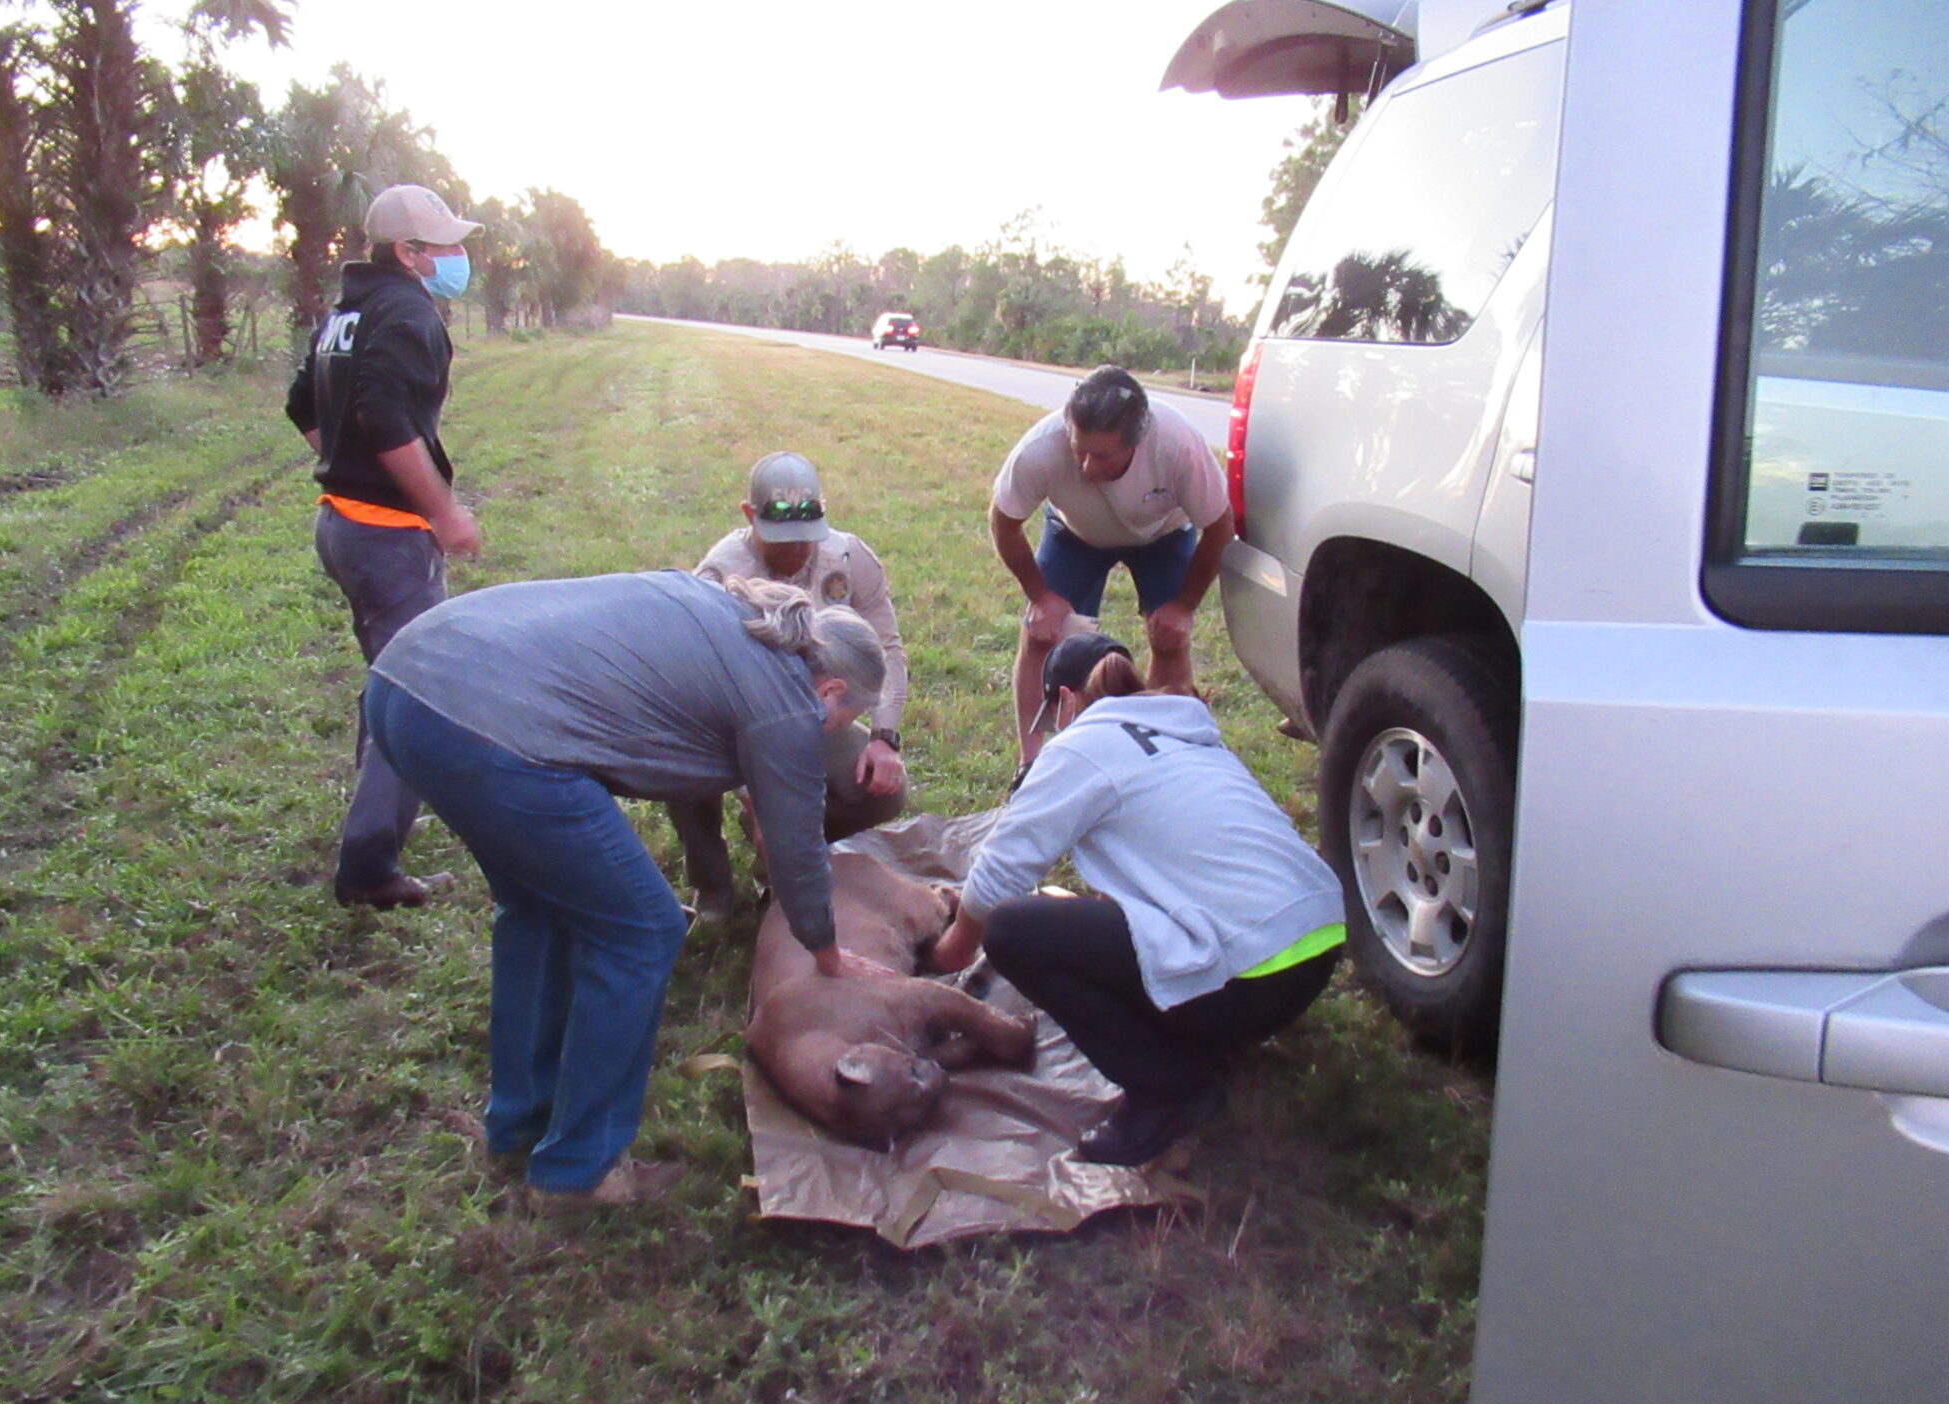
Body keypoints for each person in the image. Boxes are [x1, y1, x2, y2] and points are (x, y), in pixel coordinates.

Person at [363, 569, 899, 1213]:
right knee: (642, 930)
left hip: (408, 683)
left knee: (538, 911)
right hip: (490, 727)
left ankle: (521, 1124)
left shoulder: (729, 607)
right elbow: (796, 849)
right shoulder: (788, 698)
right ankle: (577, 1172)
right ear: (830, 688)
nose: (834, 733)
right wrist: (828, 953)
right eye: (843, 721)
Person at [928, 631, 1345, 1167]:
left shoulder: (1083, 744)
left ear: (1066, 701)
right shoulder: (1184, 734)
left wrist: (951, 952)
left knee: (1013, 931)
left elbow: (998, 875)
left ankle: (1168, 1090)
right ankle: (1208, 1036)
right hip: (1314, 947)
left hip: (1253, 977)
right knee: (1100, 929)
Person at [286, 183, 485, 910]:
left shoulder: (345, 312)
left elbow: (304, 405)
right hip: (385, 535)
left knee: (390, 678)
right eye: (445, 247)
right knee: (418, 693)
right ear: (408, 253)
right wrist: (441, 511)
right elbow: (383, 417)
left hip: (340, 524)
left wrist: (345, 465)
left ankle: (382, 815)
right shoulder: (406, 312)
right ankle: (370, 868)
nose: (458, 258)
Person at [667, 450, 910, 922]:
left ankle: (794, 860)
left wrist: (884, 737)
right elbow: (701, 690)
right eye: (783, 539)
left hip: (817, 713)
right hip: (725, 722)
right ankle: (712, 886)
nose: (799, 551)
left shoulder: (848, 557)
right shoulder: (719, 577)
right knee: (682, 775)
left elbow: (889, 650)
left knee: (880, 790)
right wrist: (754, 792)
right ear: (747, 516)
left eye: (807, 538)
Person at [988, 364, 1232, 775]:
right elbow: (1003, 521)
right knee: (1040, 632)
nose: (1085, 467)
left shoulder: (1177, 444)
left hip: (1163, 534)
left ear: (1137, 442)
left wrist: (1184, 606)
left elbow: (1221, 526)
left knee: (1170, 637)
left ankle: (1161, 762)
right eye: (1077, 449)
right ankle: (1031, 764)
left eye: (1101, 456)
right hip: (1074, 533)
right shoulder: (1041, 447)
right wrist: (1040, 597)